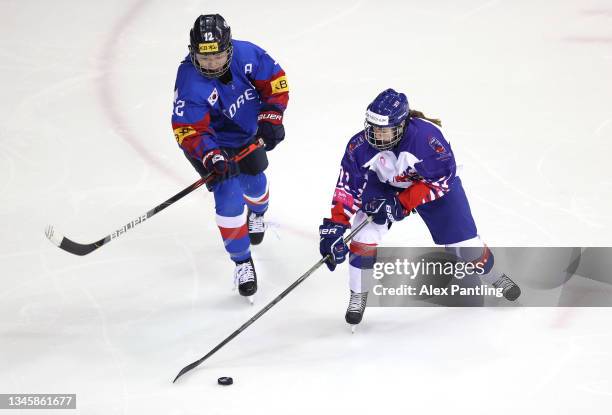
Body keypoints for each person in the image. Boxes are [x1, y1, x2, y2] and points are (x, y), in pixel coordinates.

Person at [319, 88, 520, 327]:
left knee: (465, 246)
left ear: (402, 125)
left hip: (431, 185)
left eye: (384, 130)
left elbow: (442, 179)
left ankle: (492, 274)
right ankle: (358, 293)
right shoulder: (359, 146)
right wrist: (334, 227)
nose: (376, 135)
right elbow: (347, 187)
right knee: (363, 235)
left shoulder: (428, 139)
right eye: (372, 127)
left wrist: (402, 204)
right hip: (385, 186)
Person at [171, 14, 289, 301]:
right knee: (228, 200)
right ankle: (241, 261)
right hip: (211, 145)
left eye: (218, 55)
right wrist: (212, 157)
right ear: (193, 51)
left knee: (256, 186)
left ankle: (258, 214)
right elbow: (189, 130)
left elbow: (275, 82)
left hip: (246, 135)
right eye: (204, 57)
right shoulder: (190, 83)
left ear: (229, 48)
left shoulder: (247, 54)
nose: (211, 63)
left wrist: (271, 117)